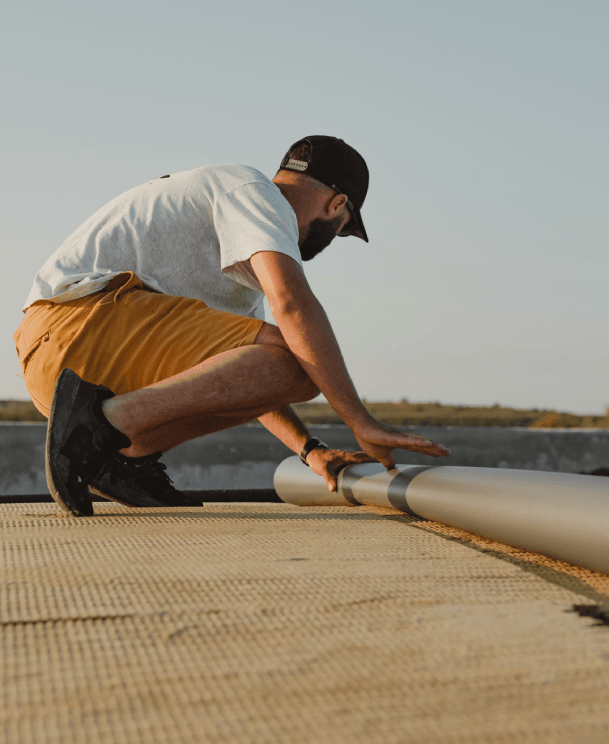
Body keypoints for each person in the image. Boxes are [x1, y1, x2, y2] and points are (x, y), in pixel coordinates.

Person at [14, 135, 449, 517]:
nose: (333, 239)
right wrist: (361, 421)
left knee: (288, 362)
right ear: (337, 206)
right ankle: (102, 426)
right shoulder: (253, 191)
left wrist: (310, 450)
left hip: (66, 357)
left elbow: (249, 377)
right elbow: (293, 306)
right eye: (341, 229)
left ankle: (117, 455)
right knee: (303, 357)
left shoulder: (240, 261)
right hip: (75, 325)